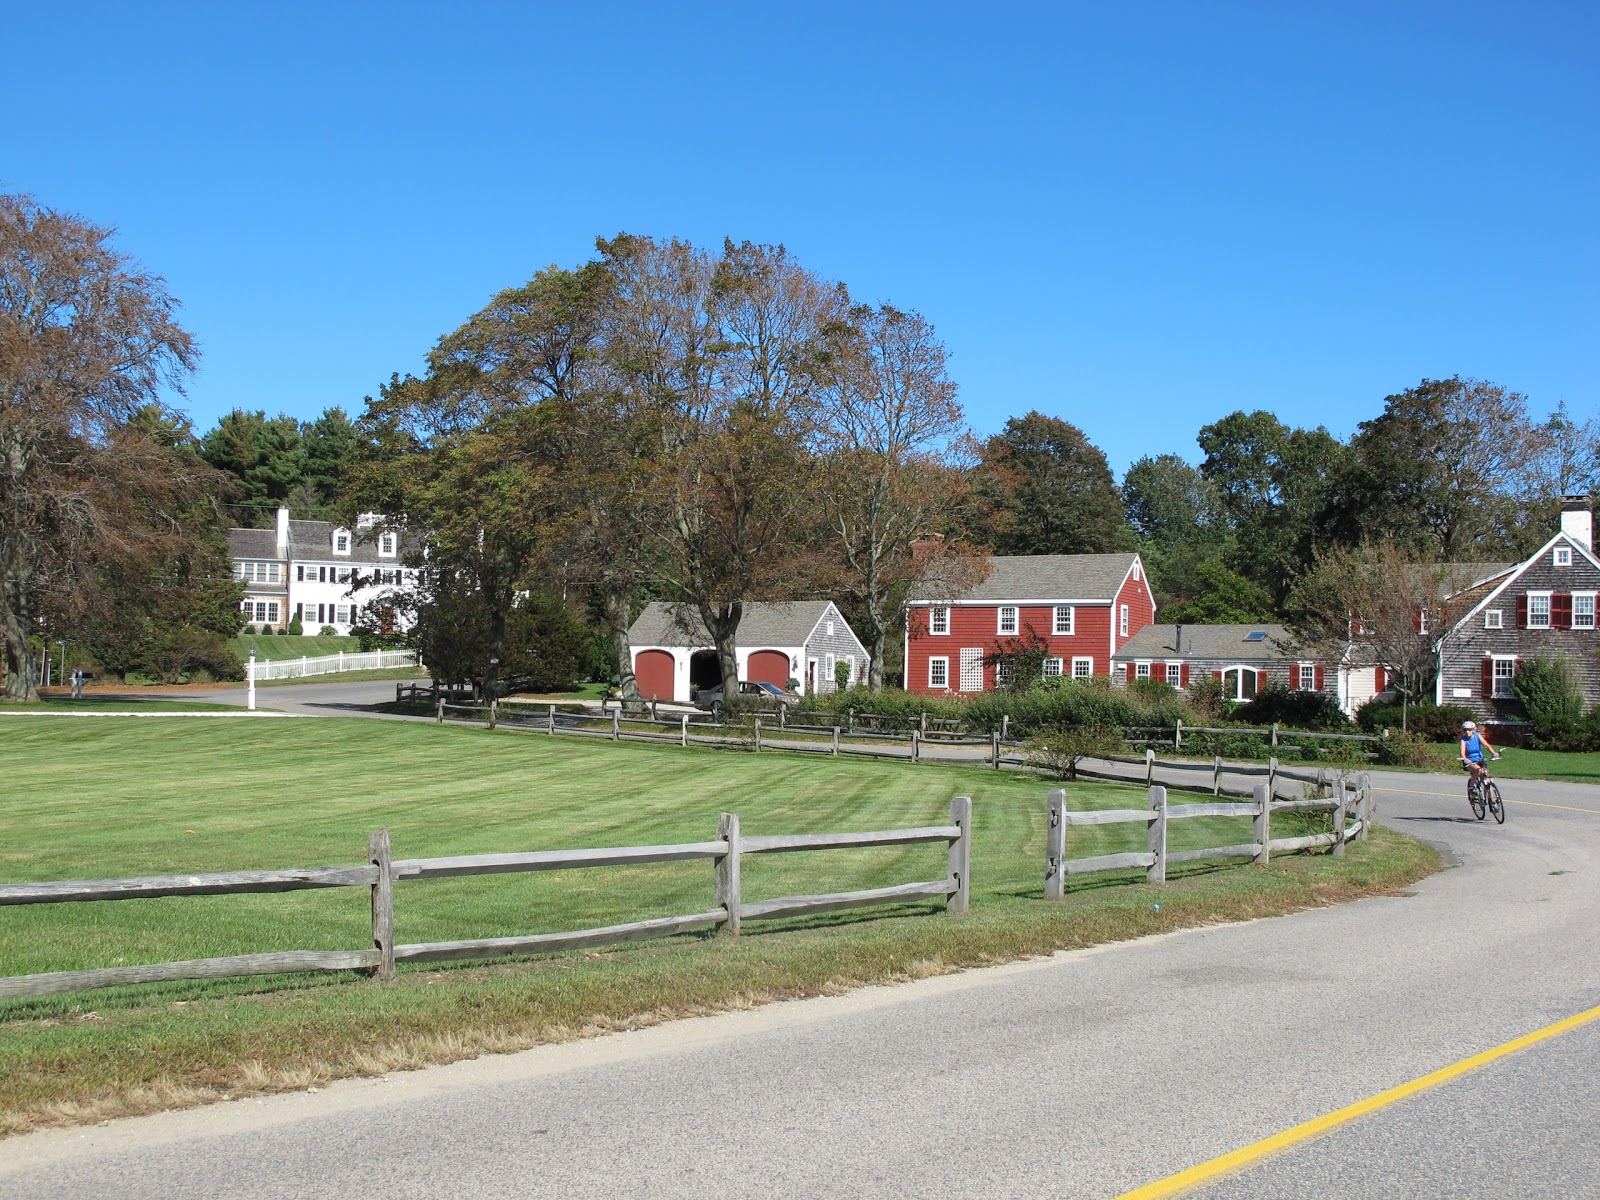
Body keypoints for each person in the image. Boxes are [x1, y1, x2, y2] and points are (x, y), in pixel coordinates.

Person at [1459, 720, 1500, 786]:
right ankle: (1472, 786)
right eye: (1465, 730)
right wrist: (1465, 759)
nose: (1467, 732)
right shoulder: (1463, 739)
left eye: (1469, 730)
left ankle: (1488, 792)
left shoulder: (1477, 735)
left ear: (1473, 730)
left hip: (1480, 759)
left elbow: (1486, 745)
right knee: (1477, 770)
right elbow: (1462, 751)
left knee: (1486, 775)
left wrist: (1493, 753)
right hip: (1469, 761)